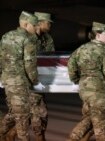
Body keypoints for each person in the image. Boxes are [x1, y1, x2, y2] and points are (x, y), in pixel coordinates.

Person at [67, 22, 105, 141]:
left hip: (84, 90)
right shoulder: (104, 50)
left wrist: (75, 80)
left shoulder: (82, 48)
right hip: (97, 91)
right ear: (98, 35)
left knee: (88, 120)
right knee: (101, 126)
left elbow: (70, 64)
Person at [0, 11, 45, 141]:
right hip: (20, 82)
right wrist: (35, 81)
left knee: (14, 112)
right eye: (34, 25)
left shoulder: (6, 36)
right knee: (23, 116)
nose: (36, 28)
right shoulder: (27, 39)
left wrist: (2, 77)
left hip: (7, 81)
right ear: (26, 24)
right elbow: (30, 64)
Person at [27, 11, 54, 141]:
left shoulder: (47, 38)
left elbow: (51, 57)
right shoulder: (27, 38)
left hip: (40, 81)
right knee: (39, 113)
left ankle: (9, 133)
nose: (50, 25)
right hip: (27, 81)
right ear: (40, 23)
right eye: (48, 22)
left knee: (35, 114)